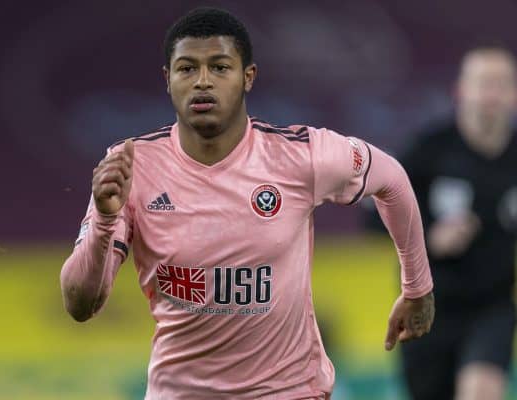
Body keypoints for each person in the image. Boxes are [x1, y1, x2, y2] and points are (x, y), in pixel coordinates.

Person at [60, 7, 434, 399]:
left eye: (219, 67)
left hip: (290, 391)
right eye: (187, 68)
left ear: (247, 77)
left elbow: (391, 179)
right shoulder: (131, 166)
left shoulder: (299, 156)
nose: (203, 81)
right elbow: (79, 304)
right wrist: (104, 219)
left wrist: (417, 288)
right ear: (167, 79)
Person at [396, 46, 517, 400]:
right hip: (428, 307)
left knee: (480, 390)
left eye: (502, 83)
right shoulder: (428, 151)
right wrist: (429, 238)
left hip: (492, 305)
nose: (492, 93)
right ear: (461, 89)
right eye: (483, 83)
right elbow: (374, 216)